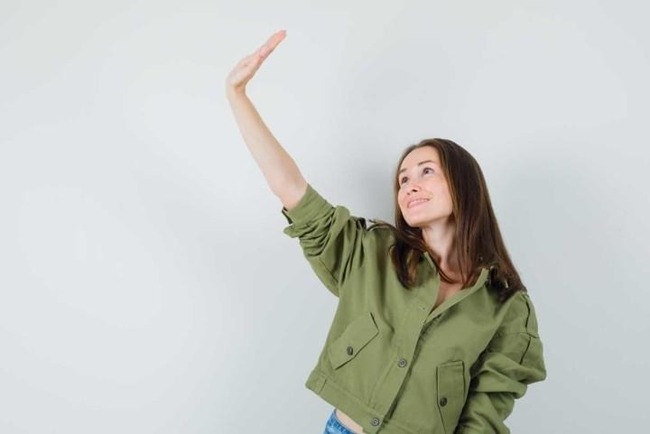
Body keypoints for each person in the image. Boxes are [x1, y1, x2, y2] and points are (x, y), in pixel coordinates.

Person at [225, 30, 547, 434]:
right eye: (403, 179)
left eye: (426, 171)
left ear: (464, 184)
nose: (409, 185)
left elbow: (487, 411)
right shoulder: (372, 252)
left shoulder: (507, 305)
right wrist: (237, 95)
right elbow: (291, 189)